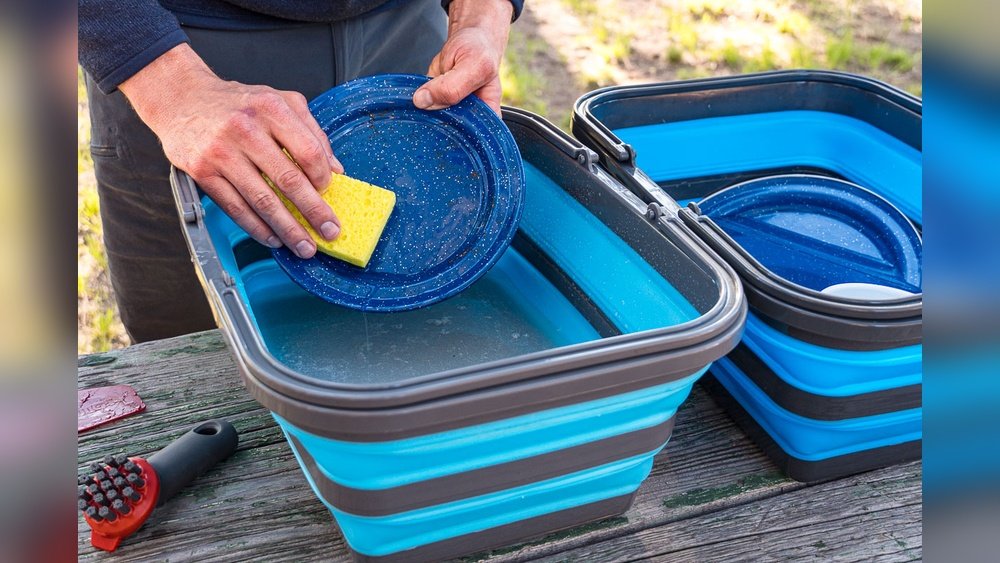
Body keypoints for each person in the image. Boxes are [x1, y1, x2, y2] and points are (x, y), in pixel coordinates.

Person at [79, 0, 521, 342]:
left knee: (418, 329)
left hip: (411, 38)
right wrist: (170, 86)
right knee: (186, 338)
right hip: (179, 48)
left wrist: (481, 14)